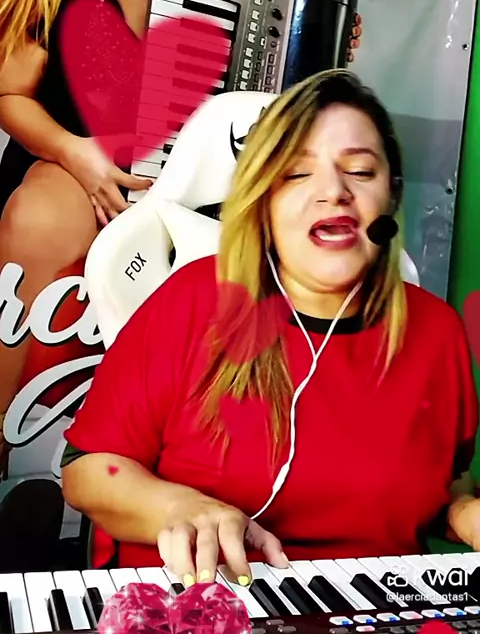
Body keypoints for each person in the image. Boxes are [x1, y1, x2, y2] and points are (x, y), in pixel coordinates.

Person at [0, 0, 362, 481]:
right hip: (76, 156)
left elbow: (265, 78)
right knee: (41, 215)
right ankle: (6, 440)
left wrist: (326, 42)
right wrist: (75, 154)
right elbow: (10, 95)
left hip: (193, 176)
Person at [61, 69, 480, 586]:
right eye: (298, 174)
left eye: (360, 171)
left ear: (390, 198)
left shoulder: (436, 332)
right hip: (201, 606)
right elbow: (89, 470)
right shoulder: (193, 301)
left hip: (373, 618)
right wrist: (176, 506)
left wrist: (464, 512)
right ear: (265, 202)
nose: (334, 192)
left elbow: (442, 483)